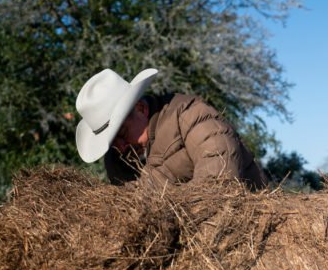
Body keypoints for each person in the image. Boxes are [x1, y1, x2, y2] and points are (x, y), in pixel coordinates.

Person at [75, 67, 267, 189]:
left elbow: (219, 185)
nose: (122, 147)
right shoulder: (117, 158)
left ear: (141, 108)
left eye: (122, 134)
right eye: (112, 143)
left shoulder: (192, 116)